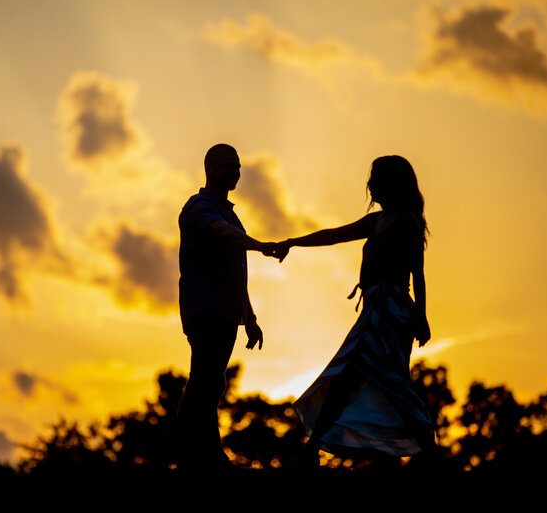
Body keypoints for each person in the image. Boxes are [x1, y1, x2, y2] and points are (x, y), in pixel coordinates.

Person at [272, 155, 435, 468]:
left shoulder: (406, 222)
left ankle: (429, 453)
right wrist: (292, 242)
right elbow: (333, 235)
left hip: (391, 313)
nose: (370, 184)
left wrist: (421, 315)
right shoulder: (376, 222)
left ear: (392, 184)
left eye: (376, 178)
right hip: (373, 312)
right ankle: (311, 453)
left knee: (381, 380)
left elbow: (418, 272)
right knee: (354, 379)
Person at [176, 143, 276, 470]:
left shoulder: (231, 213)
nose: (235, 172)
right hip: (205, 308)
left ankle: (204, 452)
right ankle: (198, 454)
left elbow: (235, 267)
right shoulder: (198, 207)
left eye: (237, 167)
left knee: (213, 381)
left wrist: (250, 316)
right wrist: (259, 246)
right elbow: (220, 233)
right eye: (227, 166)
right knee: (204, 379)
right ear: (210, 168)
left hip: (227, 313)